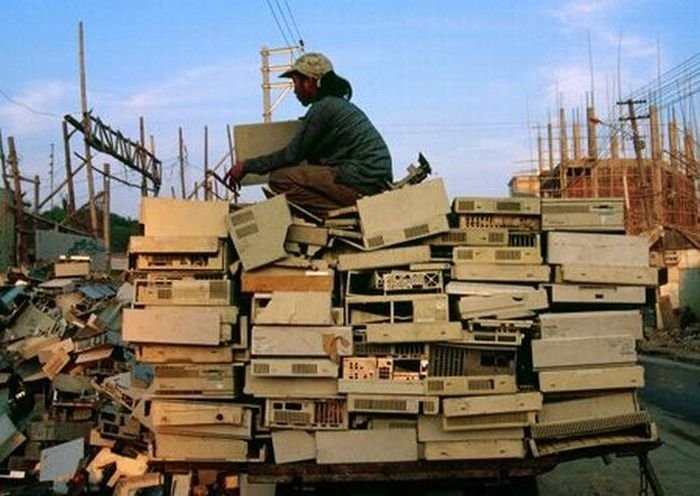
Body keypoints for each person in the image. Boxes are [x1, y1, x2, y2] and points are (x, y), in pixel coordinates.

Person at [225, 52, 393, 216]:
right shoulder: (334, 105)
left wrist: (246, 166)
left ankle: (343, 214)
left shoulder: (323, 108)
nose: (294, 90)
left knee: (280, 179)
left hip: (364, 182)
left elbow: (291, 155)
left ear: (310, 82)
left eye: (295, 82)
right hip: (370, 179)